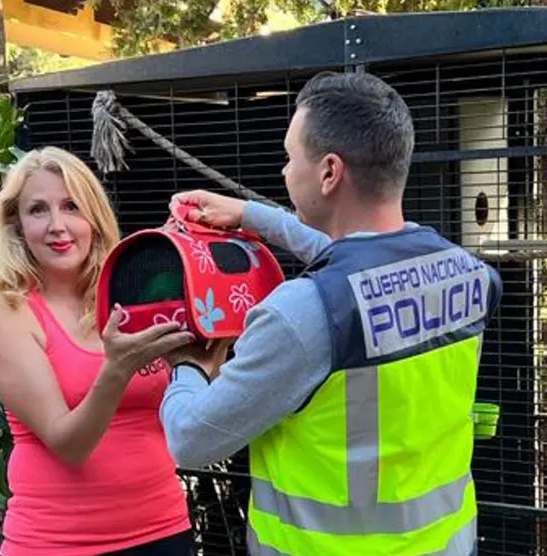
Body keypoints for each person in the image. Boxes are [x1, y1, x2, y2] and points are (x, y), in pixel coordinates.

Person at [156, 71, 503, 555]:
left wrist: (188, 364)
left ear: (329, 172)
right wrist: (252, 215)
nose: (284, 172)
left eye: (290, 157)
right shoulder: (469, 274)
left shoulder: (298, 315)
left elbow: (191, 439)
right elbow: (363, 266)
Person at [0, 146, 197, 556]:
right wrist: (117, 370)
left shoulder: (131, 295)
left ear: (94, 217)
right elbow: (70, 445)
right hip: (58, 544)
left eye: (71, 206)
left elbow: (192, 404)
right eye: (38, 210)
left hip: (165, 529)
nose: (57, 226)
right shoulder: (7, 316)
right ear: (17, 225)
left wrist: (213, 349)